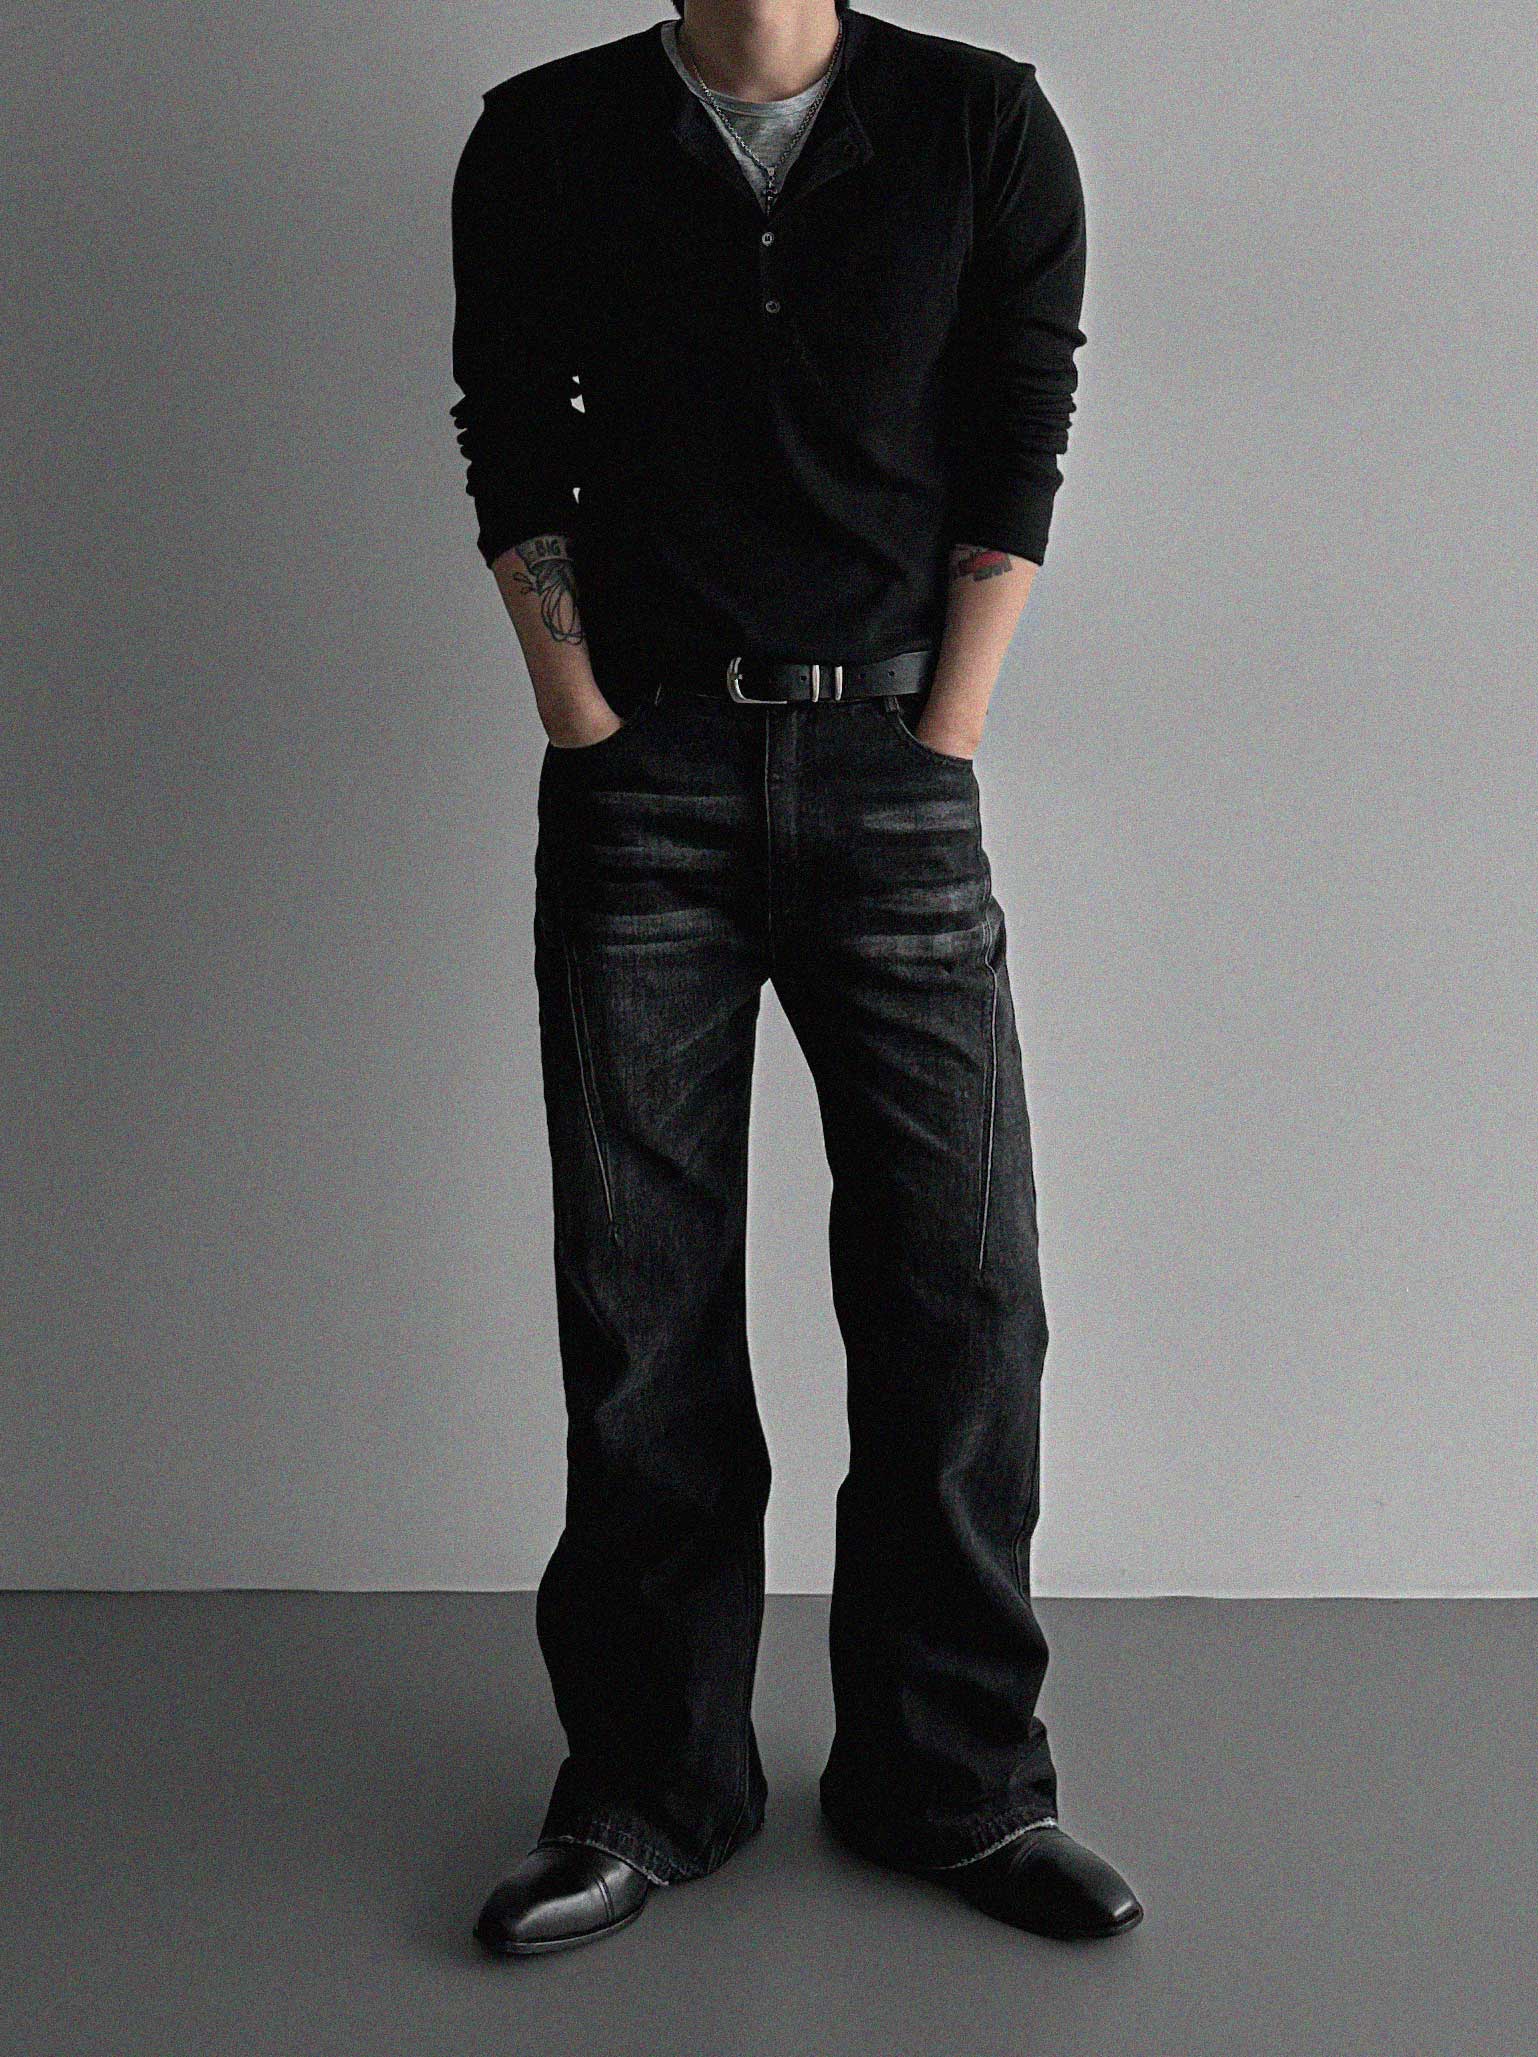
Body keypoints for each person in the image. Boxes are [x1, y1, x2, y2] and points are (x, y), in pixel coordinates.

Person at [450, 0, 1143, 1953]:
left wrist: (945, 730)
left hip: (891, 771)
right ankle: (649, 1786)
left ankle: (952, 1780)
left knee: (961, 1289)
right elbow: (511, 426)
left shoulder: (979, 126)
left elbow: (1019, 425)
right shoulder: (547, 136)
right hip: (644, 776)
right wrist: (581, 715)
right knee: (643, 1307)